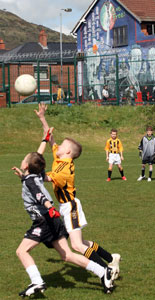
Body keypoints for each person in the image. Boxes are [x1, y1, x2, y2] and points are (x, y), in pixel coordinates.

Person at [12, 135, 115, 297]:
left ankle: (37, 281)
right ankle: (103, 272)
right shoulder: (33, 176)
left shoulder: (31, 180)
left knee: (21, 251)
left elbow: (40, 195)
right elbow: (36, 157)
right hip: (54, 221)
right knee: (66, 255)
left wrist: (49, 207)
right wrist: (44, 140)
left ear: (25, 165)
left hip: (44, 221)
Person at [34, 104, 121, 283]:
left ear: (67, 152)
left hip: (70, 206)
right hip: (66, 206)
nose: (57, 146)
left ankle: (106, 271)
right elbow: (49, 138)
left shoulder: (65, 169)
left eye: (61, 145)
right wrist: (42, 118)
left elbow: (47, 178)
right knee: (81, 242)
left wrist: (30, 171)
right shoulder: (60, 158)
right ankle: (111, 259)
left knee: (76, 245)